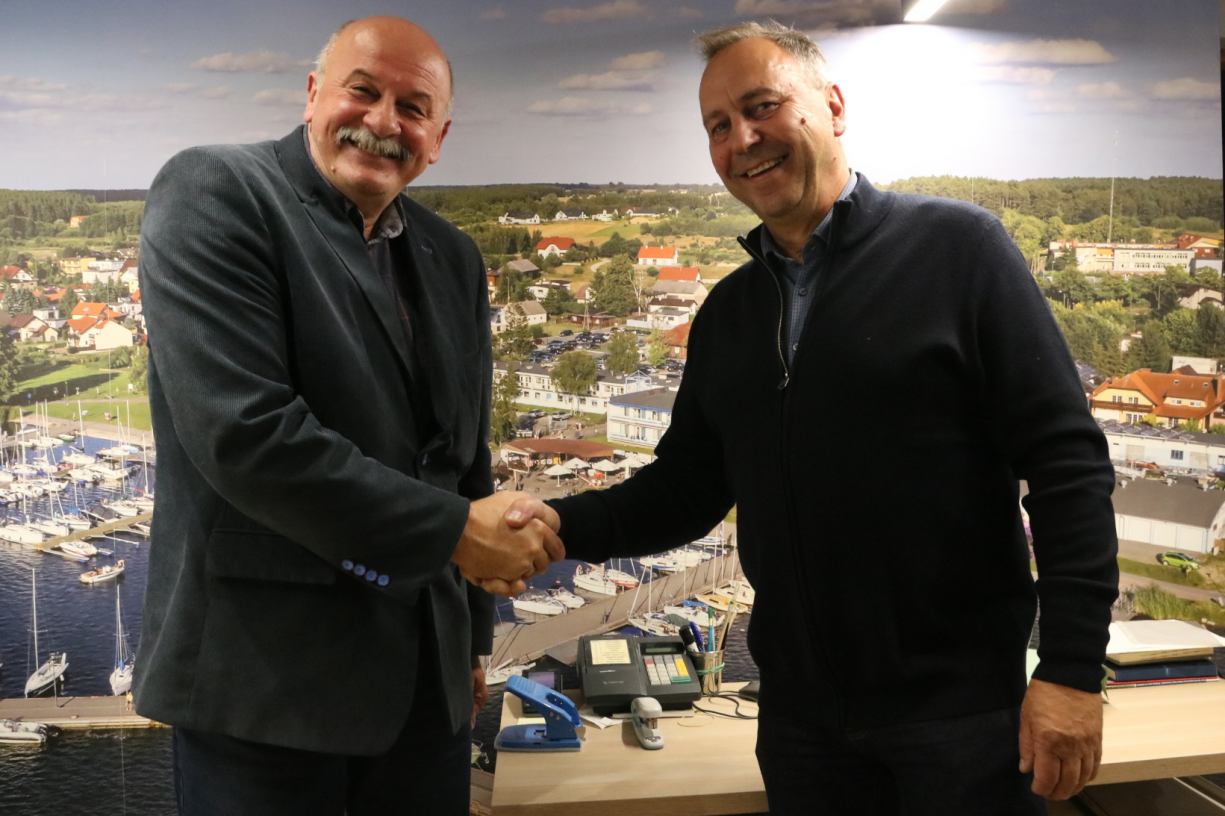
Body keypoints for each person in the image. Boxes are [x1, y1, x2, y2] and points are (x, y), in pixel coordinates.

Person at [502, 20, 1119, 815]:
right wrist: (549, 524)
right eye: (717, 126)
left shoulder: (959, 251)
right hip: (801, 725)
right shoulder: (729, 313)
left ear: (832, 105)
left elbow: (1068, 466)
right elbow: (683, 491)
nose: (742, 139)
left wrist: (1070, 669)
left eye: (762, 106)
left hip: (960, 717)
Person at [135, 16, 562, 816]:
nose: (382, 121)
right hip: (264, 689)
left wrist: (468, 639)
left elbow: (461, 459)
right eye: (362, 91)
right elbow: (246, 435)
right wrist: (453, 534)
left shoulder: (452, 255)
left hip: (426, 691)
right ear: (311, 95)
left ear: (438, 139)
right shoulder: (215, 192)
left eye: (413, 108)